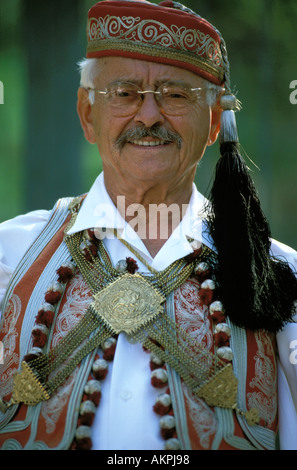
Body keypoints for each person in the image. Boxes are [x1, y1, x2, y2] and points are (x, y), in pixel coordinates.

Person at [0, 0, 296, 451]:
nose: (149, 115)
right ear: (86, 113)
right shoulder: (8, 258)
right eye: (124, 93)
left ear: (215, 120)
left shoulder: (277, 276)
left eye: (176, 95)